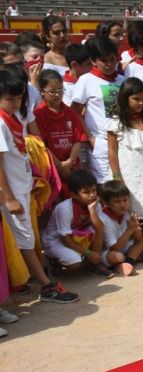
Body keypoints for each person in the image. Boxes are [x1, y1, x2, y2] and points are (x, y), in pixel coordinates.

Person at [0, 71, 79, 302]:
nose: (15, 103)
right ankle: (45, 285)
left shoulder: (13, 119)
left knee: (23, 238)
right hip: (12, 192)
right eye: (10, 99)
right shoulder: (1, 123)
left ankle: (25, 283)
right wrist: (9, 197)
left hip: (21, 187)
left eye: (19, 98)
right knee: (24, 238)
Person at [107, 77, 143, 258]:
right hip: (126, 173)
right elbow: (112, 152)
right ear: (125, 99)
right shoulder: (116, 122)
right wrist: (117, 176)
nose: (140, 103)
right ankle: (130, 248)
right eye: (136, 99)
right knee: (128, 211)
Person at [70, 37, 126, 183]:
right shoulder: (86, 80)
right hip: (101, 142)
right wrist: (91, 138)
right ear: (94, 61)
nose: (109, 64)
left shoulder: (123, 81)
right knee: (106, 186)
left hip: (124, 141)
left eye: (112, 59)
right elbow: (75, 112)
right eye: (103, 60)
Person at [42, 169, 116, 278]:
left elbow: (99, 229)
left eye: (94, 190)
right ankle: (53, 260)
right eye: (86, 192)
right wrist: (88, 253)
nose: (92, 195)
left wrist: (92, 211)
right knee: (74, 262)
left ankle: (94, 264)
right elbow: (65, 239)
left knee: (97, 228)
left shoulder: (95, 205)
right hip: (57, 240)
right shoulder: (64, 209)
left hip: (78, 236)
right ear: (74, 195)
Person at [34, 70, 88, 179]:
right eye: (52, 91)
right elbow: (42, 145)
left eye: (60, 90)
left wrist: (70, 161)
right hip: (51, 167)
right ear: (42, 91)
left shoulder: (70, 112)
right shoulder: (38, 114)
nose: (57, 94)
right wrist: (59, 165)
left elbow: (78, 139)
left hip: (72, 166)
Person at [98, 179, 143, 274]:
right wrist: (130, 230)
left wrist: (135, 227)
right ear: (107, 203)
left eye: (125, 200)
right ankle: (125, 262)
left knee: (142, 241)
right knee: (117, 256)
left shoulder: (127, 214)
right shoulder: (104, 219)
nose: (122, 205)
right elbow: (114, 248)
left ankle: (128, 262)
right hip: (110, 252)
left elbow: (139, 238)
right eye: (117, 202)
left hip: (124, 247)